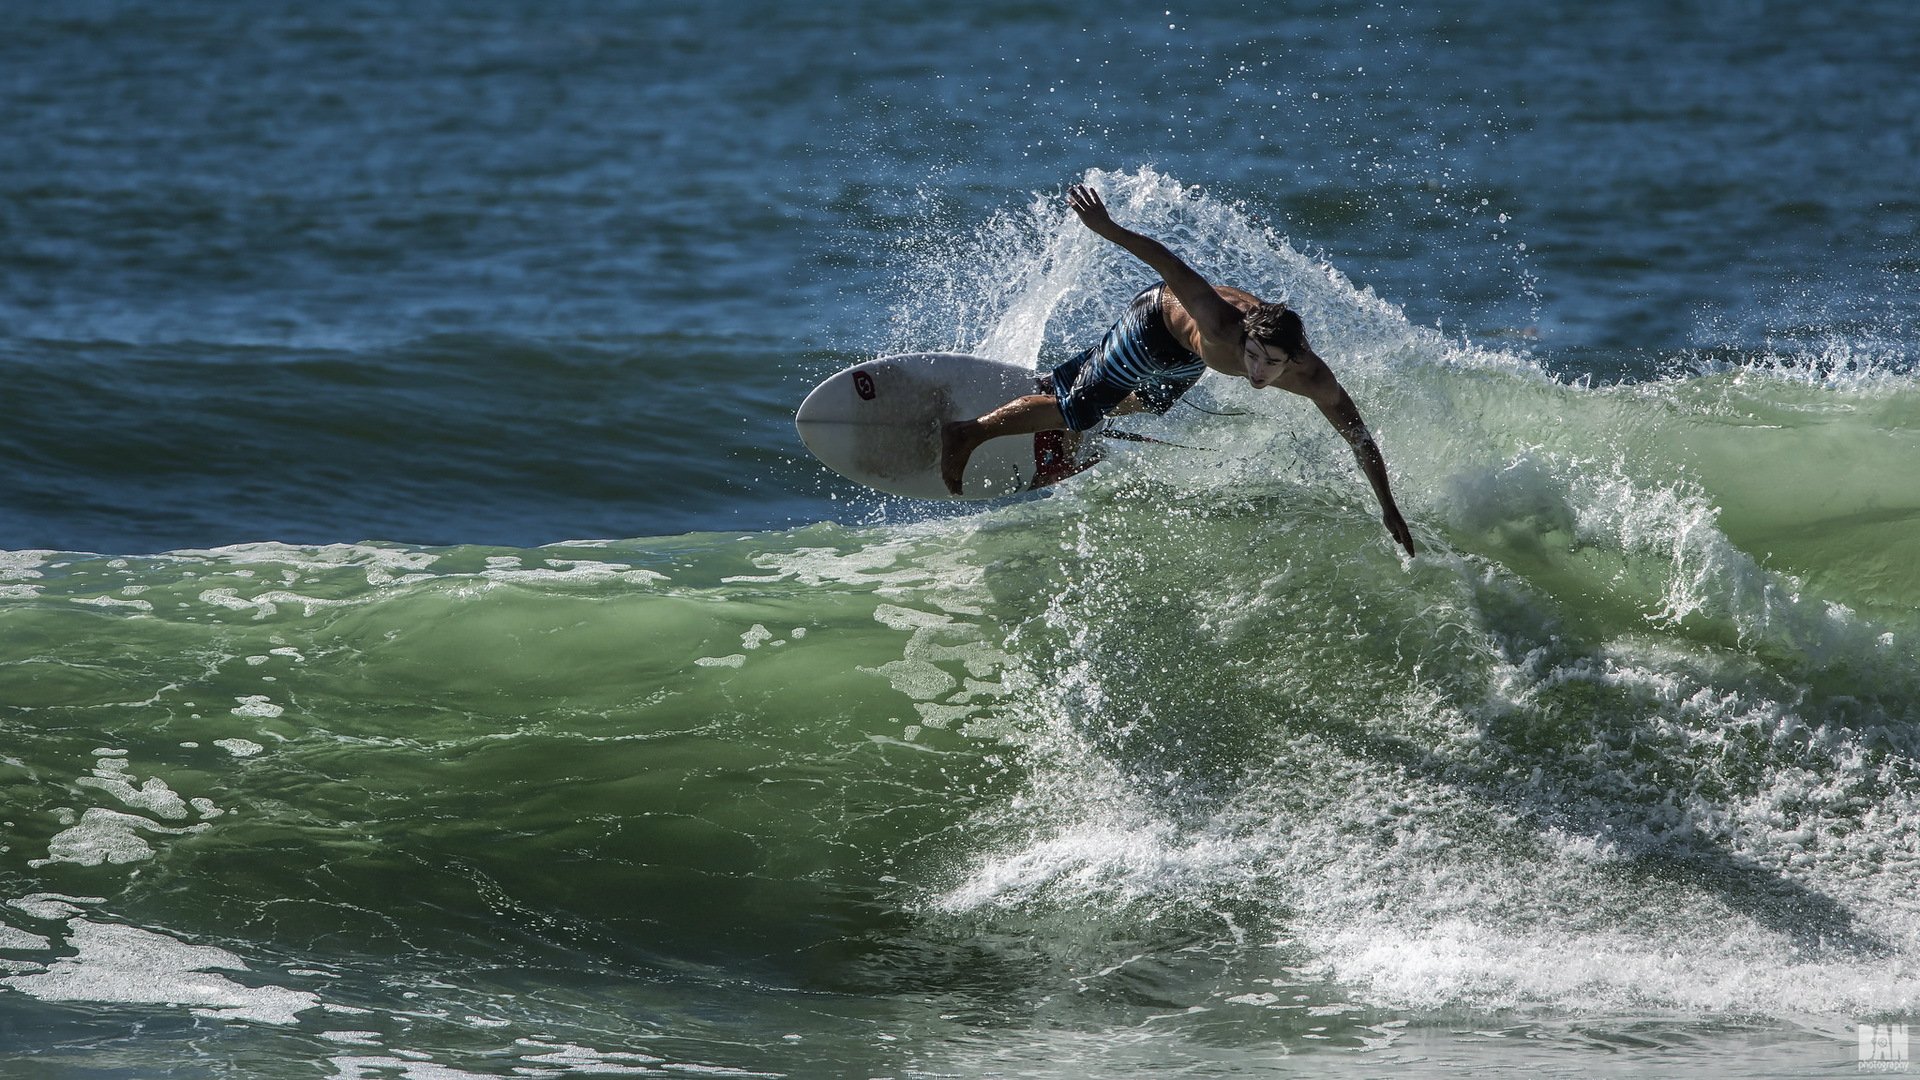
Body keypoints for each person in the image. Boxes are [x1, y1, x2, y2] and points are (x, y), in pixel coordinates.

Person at [939, 183, 1417, 557]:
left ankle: (1064, 392)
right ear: (1244, 336)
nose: (1257, 372)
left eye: (1271, 365)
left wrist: (1388, 506)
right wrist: (1106, 227)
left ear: (1293, 361)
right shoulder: (1219, 321)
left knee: (1151, 403)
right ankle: (969, 434)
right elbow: (1166, 263)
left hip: (1188, 356)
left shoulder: (1311, 377)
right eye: (1252, 355)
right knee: (1085, 411)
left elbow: (1358, 437)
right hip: (1155, 324)